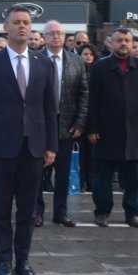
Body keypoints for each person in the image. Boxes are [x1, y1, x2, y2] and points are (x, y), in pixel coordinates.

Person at [0, 5, 58, 275]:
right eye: (17, 22)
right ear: (6, 28)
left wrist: (51, 146)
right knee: (1, 208)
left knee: (27, 208)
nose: (23, 26)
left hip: (33, 147)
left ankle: (23, 259)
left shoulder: (42, 63)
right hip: (1, 147)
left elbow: (49, 109)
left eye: (27, 22)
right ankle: (4, 260)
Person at [87, 28, 138, 228]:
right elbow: (92, 101)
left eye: (127, 40)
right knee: (103, 177)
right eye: (119, 40)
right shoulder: (99, 68)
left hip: (136, 131)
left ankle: (133, 212)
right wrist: (92, 128)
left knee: (134, 178)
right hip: (106, 131)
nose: (123, 44)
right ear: (111, 43)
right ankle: (102, 212)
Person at [37, 21, 88, 227]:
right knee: (38, 171)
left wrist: (80, 122)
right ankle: (36, 211)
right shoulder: (35, 58)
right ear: (44, 37)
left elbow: (84, 94)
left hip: (66, 122)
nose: (56, 37)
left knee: (63, 171)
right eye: (51, 33)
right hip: (40, 124)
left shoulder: (76, 61)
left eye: (59, 33)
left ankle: (60, 211)